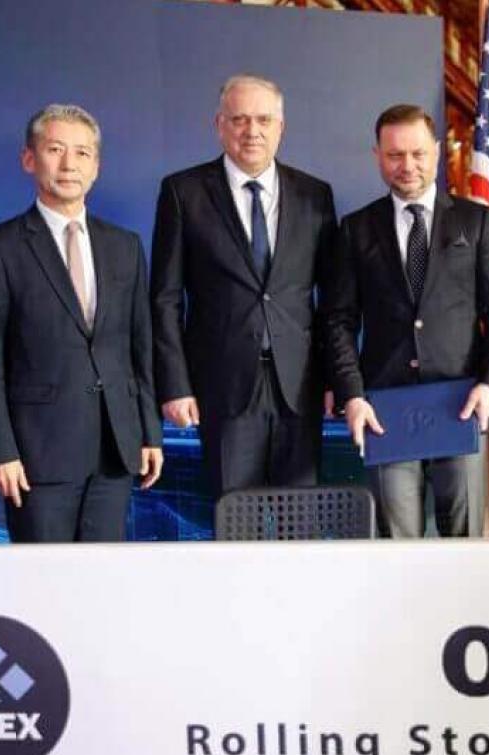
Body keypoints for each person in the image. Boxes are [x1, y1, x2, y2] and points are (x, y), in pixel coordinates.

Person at [0, 104, 163, 542]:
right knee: (42, 580)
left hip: (115, 450)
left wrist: (150, 433)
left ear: (96, 167)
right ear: (29, 159)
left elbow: (140, 347)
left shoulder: (125, 246)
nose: (69, 164)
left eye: (82, 153)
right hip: (37, 454)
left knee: (103, 577)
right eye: (55, 150)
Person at [323, 104, 489, 538]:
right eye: (394, 155)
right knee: (397, 545)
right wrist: (352, 395)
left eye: (417, 153)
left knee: (464, 541)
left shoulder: (476, 221)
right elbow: (338, 321)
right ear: (377, 156)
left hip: (462, 404)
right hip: (385, 411)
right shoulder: (355, 229)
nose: (407, 165)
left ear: (437, 152)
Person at [150, 75, 338, 497]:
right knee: (234, 517)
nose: (252, 131)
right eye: (239, 119)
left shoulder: (315, 195)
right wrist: (176, 385)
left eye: (263, 120)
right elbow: (165, 299)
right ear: (219, 125)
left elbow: (332, 300)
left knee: (299, 518)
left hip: (299, 387)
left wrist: (334, 380)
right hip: (222, 385)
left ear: (281, 128)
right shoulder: (183, 192)